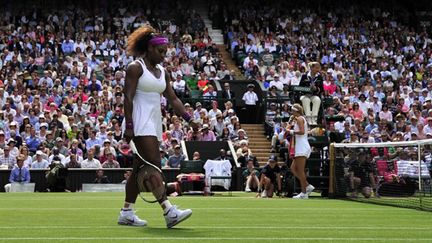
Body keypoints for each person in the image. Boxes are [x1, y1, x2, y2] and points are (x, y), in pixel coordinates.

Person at [120, 25, 192, 228]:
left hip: (153, 121)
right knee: (153, 165)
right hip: (138, 122)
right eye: (160, 51)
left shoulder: (162, 72)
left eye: (165, 52)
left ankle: (126, 212)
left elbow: (173, 98)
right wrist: (130, 126)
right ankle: (169, 211)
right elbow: (128, 97)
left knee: (138, 170)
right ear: (149, 49)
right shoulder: (135, 67)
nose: (163, 55)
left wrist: (188, 118)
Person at [287, 104, 314, 199]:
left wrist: (291, 132)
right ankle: (307, 186)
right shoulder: (298, 119)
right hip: (300, 146)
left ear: (296, 111)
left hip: (301, 146)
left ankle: (304, 193)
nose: (291, 112)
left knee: (300, 171)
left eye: (292, 111)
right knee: (293, 168)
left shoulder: (299, 119)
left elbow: (302, 132)